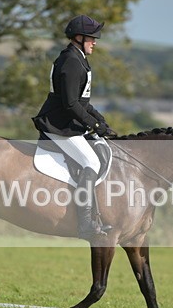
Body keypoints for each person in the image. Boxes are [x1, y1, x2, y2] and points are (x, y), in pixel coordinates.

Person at [32, 14, 117, 240]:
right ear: (79, 37)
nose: (95, 42)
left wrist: (101, 121)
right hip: (59, 125)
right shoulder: (71, 61)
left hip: (68, 122)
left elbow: (82, 103)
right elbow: (69, 103)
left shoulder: (78, 58)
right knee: (91, 161)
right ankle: (86, 223)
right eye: (92, 38)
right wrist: (94, 124)